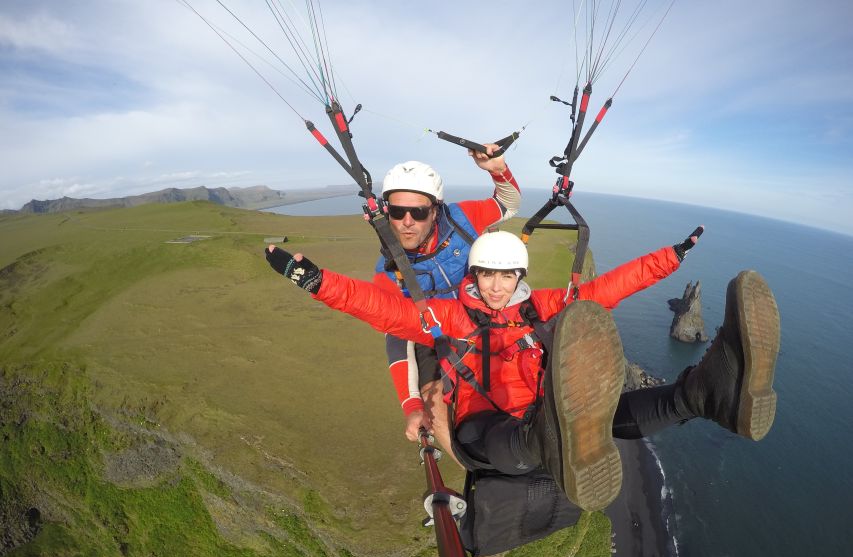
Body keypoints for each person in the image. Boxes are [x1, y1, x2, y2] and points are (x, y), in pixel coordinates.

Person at [264, 229, 780, 512]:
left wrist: (671, 258)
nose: (494, 286)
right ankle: (557, 437)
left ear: (519, 276)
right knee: (558, 425)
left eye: (505, 275)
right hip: (484, 435)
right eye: (486, 274)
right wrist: (313, 280)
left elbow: (608, 291)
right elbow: (384, 311)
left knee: (595, 414)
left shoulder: (543, 307)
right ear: (475, 275)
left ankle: (709, 394)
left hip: (545, 417)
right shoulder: (448, 315)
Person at [374, 148, 520, 467]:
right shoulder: (388, 272)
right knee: (432, 394)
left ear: (435, 209)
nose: (406, 223)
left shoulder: (460, 218)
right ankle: (473, 467)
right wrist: (412, 404)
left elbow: (507, 204)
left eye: (419, 212)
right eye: (396, 212)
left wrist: (498, 170)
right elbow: (397, 339)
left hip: (482, 307)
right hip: (434, 330)